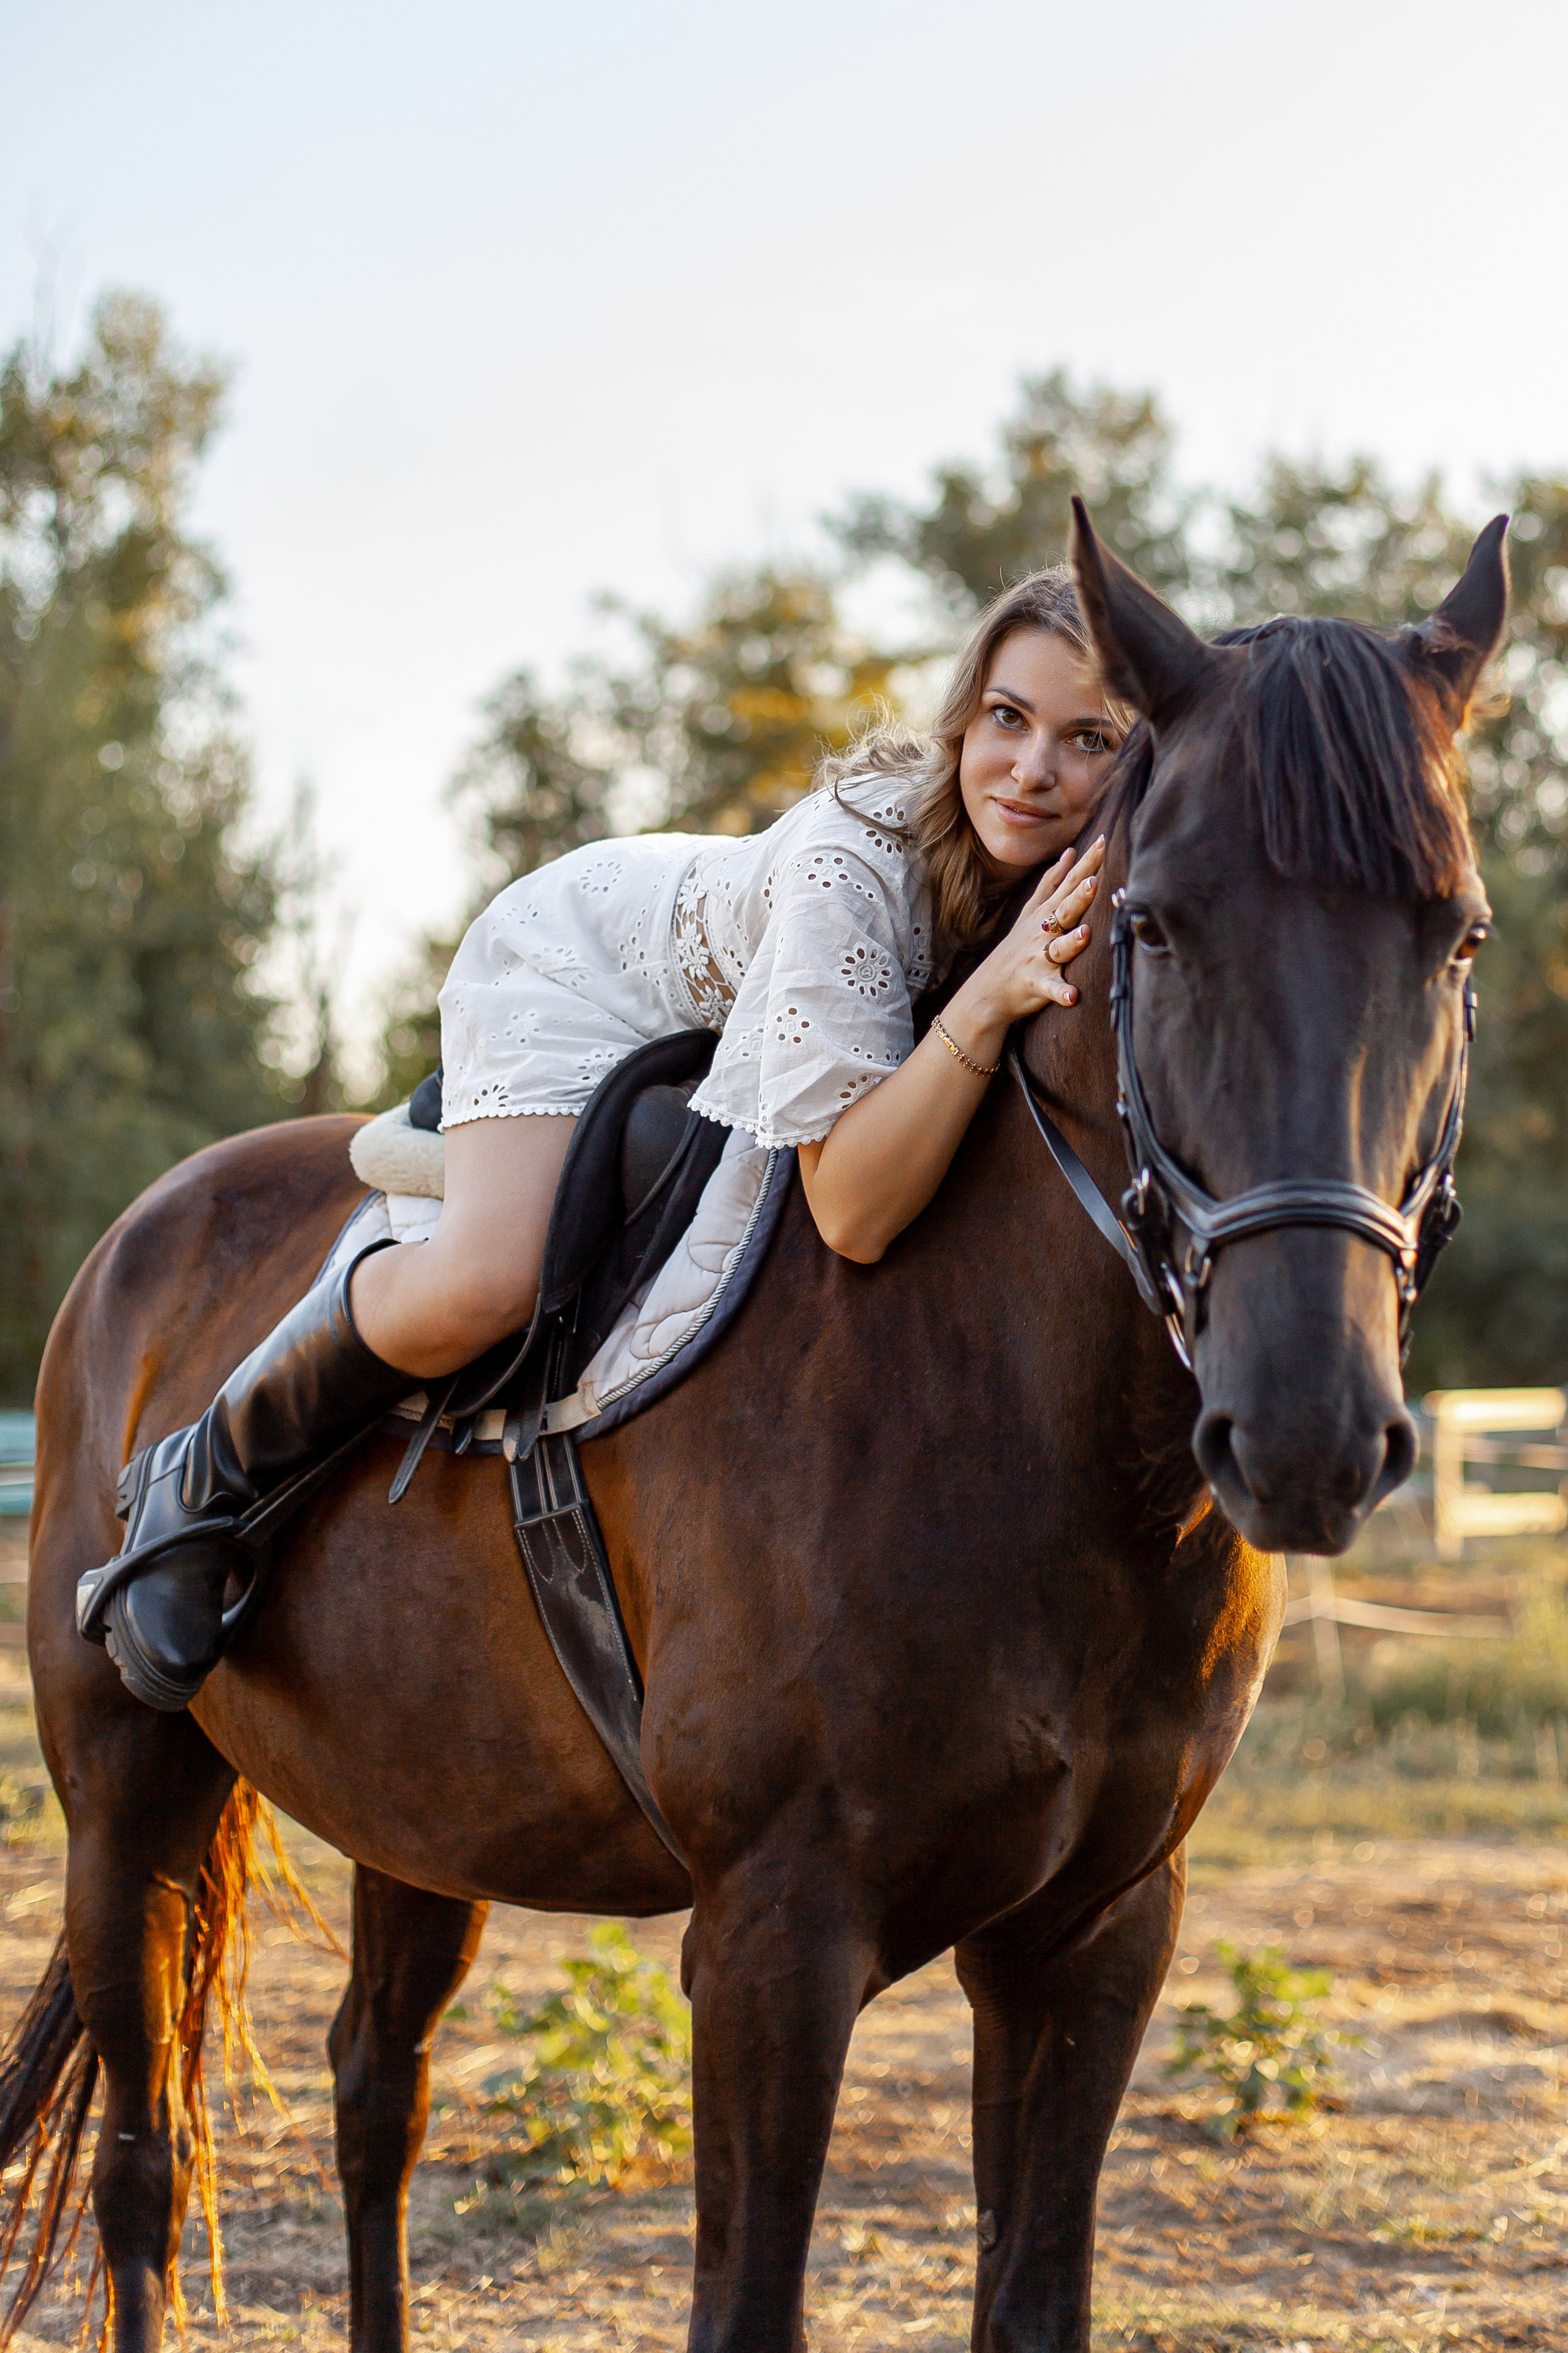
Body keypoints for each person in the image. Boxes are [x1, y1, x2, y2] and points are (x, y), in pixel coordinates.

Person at [82, 568, 1129, 1710]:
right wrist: (987, 1000)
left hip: (722, 992)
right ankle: (205, 1470)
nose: (1034, 769)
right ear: (964, 718)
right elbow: (852, 1214)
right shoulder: (856, 865)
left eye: (1088, 739)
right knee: (491, 1277)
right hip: (578, 969)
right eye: (1008, 718)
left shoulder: (1090, 864)